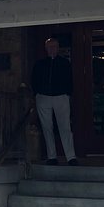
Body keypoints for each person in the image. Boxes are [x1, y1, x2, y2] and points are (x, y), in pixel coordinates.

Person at [31, 37, 78, 166]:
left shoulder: (64, 63)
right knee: (47, 128)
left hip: (61, 96)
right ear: (46, 49)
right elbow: (34, 79)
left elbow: (70, 79)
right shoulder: (40, 64)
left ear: (58, 48)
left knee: (65, 127)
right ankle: (51, 156)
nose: (52, 49)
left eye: (55, 46)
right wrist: (37, 93)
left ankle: (71, 156)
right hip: (43, 97)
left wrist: (67, 94)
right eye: (50, 47)